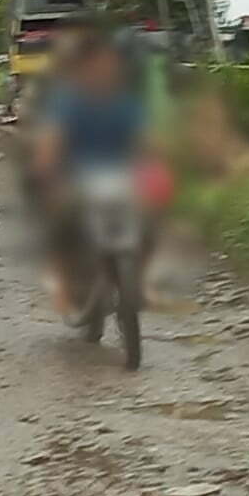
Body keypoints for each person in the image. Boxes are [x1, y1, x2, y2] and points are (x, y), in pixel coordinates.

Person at [31, 27, 148, 314]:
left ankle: (138, 279)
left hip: (119, 178)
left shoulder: (125, 103)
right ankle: (62, 284)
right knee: (60, 224)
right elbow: (51, 142)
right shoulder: (67, 102)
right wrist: (47, 171)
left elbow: (145, 141)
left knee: (152, 220)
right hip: (76, 179)